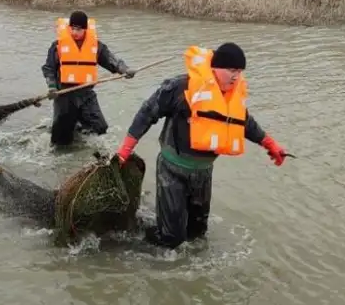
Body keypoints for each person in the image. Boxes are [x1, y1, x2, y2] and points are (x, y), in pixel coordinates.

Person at [114, 42, 290, 249]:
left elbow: (245, 123)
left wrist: (270, 144)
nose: (236, 77)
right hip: (172, 170)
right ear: (216, 68)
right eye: (231, 70)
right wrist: (125, 150)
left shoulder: (231, 96)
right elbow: (147, 113)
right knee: (171, 239)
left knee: (197, 235)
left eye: (240, 72)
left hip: (203, 174)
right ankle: (134, 242)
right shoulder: (181, 87)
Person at [42, 10, 137, 146]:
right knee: (60, 142)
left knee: (100, 128)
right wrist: (51, 86)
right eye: (72, 28)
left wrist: (125, 69)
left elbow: (112, 60)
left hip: (86, 94)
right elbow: (48, 68)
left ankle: (80, 130)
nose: (74, 32)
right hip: (64, 95)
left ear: (85, 29)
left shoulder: (96, 46)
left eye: (78, 29)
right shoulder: (58, 46)